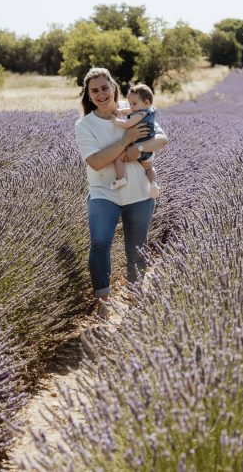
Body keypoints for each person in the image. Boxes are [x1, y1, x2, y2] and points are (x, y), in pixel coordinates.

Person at [74, 67, 168, 315]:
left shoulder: (133, 109)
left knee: (137, 247)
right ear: (89, 94)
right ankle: (104, 301)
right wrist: (127, 141)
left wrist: (140, 148)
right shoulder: (85, 125)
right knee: (100, 241)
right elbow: (96, 161)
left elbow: (161, 139)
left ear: (113, 87)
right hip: (103, 191)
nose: (101, 94)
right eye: (95, 90)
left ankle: (136, 299)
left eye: (105, 87)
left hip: (138, 191)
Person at [109, 83, 161, 199]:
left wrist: (115, 120)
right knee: (149, 168)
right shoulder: (148, 110)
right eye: (130, 103)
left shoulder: (140, 114)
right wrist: (121, 111)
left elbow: (128, 124)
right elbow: (130, 111)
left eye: (134, 104)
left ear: (146, 102)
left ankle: (121, 179)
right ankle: (153, 184)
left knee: (119, 159)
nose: (131, 106)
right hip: (148, 149)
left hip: (136, 146)